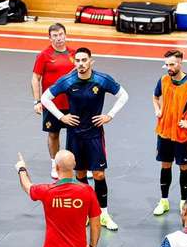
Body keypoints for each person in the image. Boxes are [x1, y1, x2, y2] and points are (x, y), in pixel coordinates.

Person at [41, 47, 129, 230]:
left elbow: (123, 95)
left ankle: (103, 213)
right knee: (80, 175)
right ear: (75, 63)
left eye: (84, 60)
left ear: (91, 62)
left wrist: (109, 115)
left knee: (98, 174)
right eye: (78, 61)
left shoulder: (102, 80)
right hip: (74, 135)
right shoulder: (67, 81)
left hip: (95, 134)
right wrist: (61, 117)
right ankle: (87, 213)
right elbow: (45, 98)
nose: (81, 64)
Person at [151, 50, 187, 217]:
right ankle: (164, 200)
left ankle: (183, 201)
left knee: (183, 166)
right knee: (165, 165)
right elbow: (155, 96)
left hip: (182, 133)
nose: (169, 68)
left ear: (181, 63)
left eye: (172, 64)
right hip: (164, 132)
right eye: (167, 64)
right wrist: (158, 109)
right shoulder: (163, 79)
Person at [31, 23, 75, 179]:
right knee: (53, 134)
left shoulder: (74, 54)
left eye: (61, 34)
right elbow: (35, 78)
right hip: (52, 104)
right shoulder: (44, 55)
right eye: (55, 36)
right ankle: (55, 165)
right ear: (50, 38)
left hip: (72, 103)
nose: (59, 38)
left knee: (74, 135)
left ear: (66, 35)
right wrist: (37, 101)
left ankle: (74, 164)